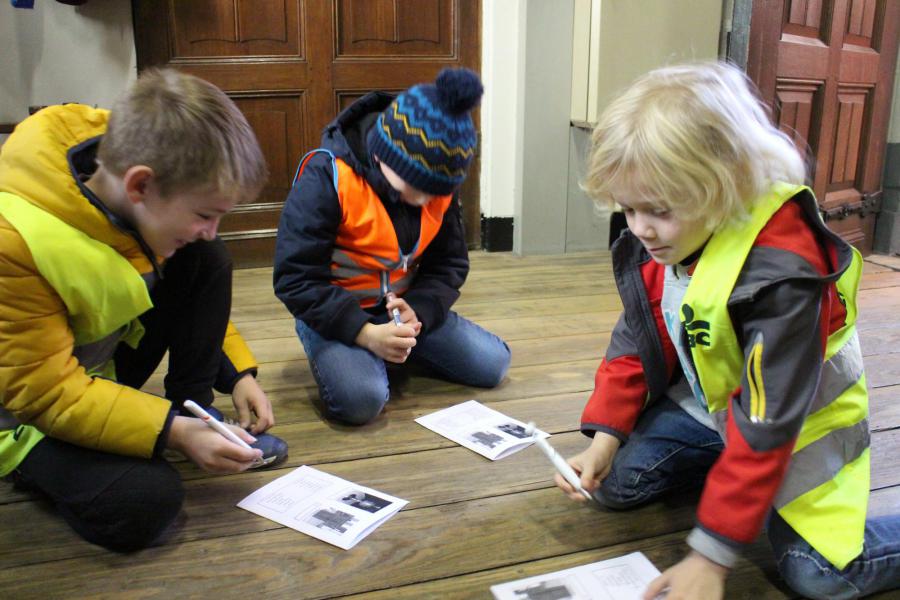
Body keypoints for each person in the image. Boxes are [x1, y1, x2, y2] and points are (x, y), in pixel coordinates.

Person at [556, 62, 900, 600]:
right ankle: (731, 477)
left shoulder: (784, 273)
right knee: (617, 484)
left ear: (724, 184)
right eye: (628, 208)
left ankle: (741, 487)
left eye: (658, 210)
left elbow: (766, 422)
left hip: (799, 426)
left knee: (820, 576)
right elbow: (636, 338)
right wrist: (605, 440)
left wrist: (710, 557)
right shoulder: (670, 238)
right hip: (715, 405)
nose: (640, 228)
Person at [0, 69, 288, 552]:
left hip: (96, 368)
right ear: (140, 185)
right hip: (22, 414)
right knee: (144, 503)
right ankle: (47, 468)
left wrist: (237, 373)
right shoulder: (13, 242)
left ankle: (194, 408)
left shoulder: (134, 181)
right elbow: (44, 394)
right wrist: (172, 435)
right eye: (205, 213)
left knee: (205, 257)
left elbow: (183, 289)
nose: (213, 227)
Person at [274, 68, 511, 425]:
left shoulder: (437, 184)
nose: (427, 200)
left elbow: (449, 264)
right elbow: (296, 279)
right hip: (335, 314)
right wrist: (364, 333)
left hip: (401, 311)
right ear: (385, 154)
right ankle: (366, 350)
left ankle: (394, 347)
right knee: (362, 402)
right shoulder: (327, 176)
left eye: (439, 190)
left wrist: (422, 309)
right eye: (418, 187)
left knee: (494, 364)